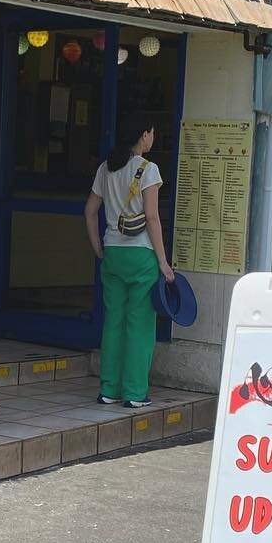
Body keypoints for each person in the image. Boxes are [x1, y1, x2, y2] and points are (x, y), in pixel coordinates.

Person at [84, 117, 175, 409]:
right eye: (152, 133)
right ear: (143, 135)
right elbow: (151, 217)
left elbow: (89, 211)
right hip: (140, 256)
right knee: (139, 324)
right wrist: (163, 261)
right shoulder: (148, 170)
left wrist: (98, 247)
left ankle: (108, 389)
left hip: (112, 253)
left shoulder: (105, 168)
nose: (153, 138)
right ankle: (135, 392)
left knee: (114, 321)